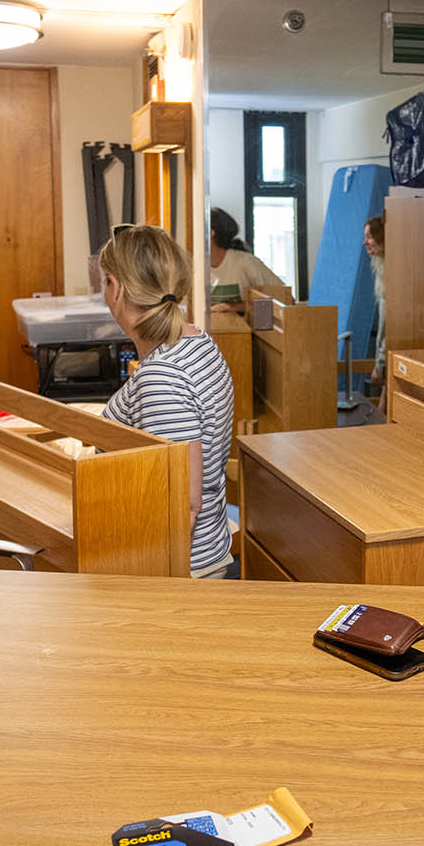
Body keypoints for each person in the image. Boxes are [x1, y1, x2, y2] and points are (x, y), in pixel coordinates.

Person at [99, 225, 237, 578]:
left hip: (180, 567)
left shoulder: (161, 376)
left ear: (115, 287)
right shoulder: (197, 341)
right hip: (205, 550)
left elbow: (183, 508)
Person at [207, 207, 283, 313]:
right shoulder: (195, 266)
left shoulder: (245, 262)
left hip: (245, 329)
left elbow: (284, 299)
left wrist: (234, 307)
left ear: (211, 233)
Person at [363, 213, 387, 395]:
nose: (365, 243)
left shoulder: (392, 272)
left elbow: (386, 326)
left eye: (369, 237)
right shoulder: (380, 267)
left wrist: (379, 365)